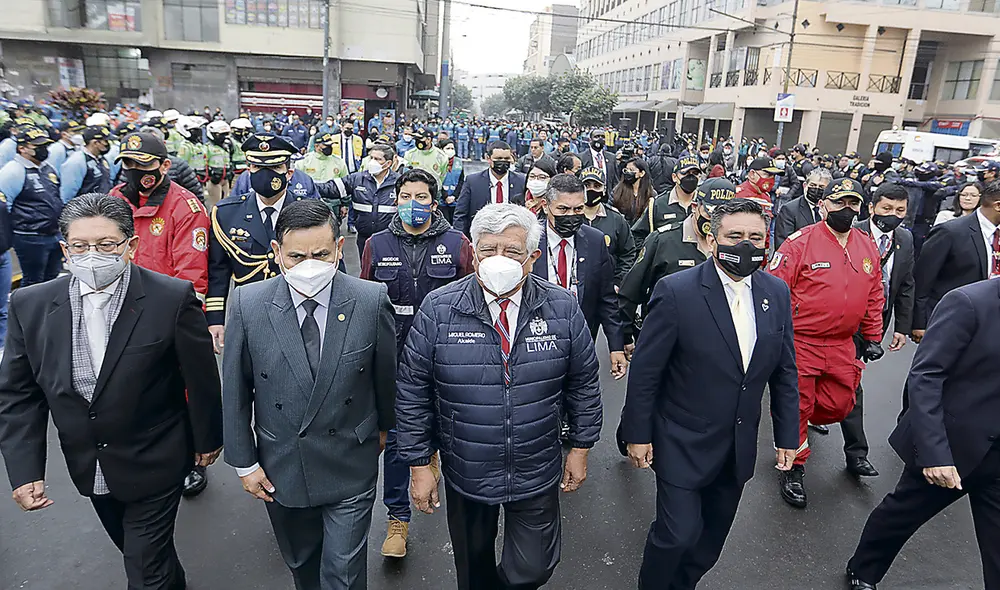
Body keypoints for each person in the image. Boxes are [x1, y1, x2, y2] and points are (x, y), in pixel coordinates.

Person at [0, 193, 222, 590]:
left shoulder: (170, 298)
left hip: (157, 457)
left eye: (105, 246)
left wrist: (207, 440)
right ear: (65, 249)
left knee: (143, 569)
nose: (92, 256)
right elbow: (20, 394)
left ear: (130, 246)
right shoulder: (29, 305)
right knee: (138, 550)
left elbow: (200, 377)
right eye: (81, 246)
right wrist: (25, 470)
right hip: (91, 466)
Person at [395, 202, 602, 590]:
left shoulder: (562, 307)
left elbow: (584, 382)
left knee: (534, 566)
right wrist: (419, 464)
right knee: (473, 570)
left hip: (536, 465)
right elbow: (412, 390)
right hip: (467, 467)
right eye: (489, 250)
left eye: (512, 251)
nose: (498, 259)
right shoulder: (439, 309)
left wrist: (580, 446)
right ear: (473, 252)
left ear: (532, 257)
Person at [620, 197, 799, 589]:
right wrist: (637, 433)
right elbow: (647, 372)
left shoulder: (776, 293)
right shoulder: (677, 291)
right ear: (712, 238)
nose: (746, 245)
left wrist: (789, 437)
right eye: (735, 235)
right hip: (681, 439)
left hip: (736, 447)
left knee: (709, 545)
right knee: (676, 534)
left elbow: (785, 372)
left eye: (756, 237)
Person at [223, 199, 396, 590]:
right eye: (296, 256)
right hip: (282, 462)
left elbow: (385, 376)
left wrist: (385, 428)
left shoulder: (370, 299)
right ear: (277, 253)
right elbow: (235, 389)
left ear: (339, 248)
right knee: (302, 564)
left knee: (344, 573)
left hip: (351, 459)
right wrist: (244, 464)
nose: (309, 265)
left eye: (320, 253)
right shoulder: (249, 304)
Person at [846, 277, 1000, 590]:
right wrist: (934, 454)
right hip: (952, 450)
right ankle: (862, 570)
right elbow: (926, 376)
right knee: (900, 515)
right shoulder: (969, 303)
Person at [360, 167, 474, 559]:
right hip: (393, 358)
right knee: (398, 437)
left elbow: (472, 299)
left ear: (435, 201)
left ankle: (438, 464)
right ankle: (397, 519)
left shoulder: (458, 243)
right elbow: (363, 304)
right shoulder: (376, 244)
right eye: (405, 196)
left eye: (421, 197)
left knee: (454, 430)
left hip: (446, 355)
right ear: (396, 199)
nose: (413, 205)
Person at [769, 177, 885, 508]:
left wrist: (873, 333)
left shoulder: (865, 244)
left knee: (840, 403)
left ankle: (796, 433)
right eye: (839, 203)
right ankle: (793, 466)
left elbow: (875, 292)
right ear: (824, 205)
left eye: (853, 204)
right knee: (798, 406)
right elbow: (775, 292)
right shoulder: (799, 243)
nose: (846, 210)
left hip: (842, 344)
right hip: (801, 342)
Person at [828, 182, 915, 479]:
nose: (893, 215)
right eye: (887, 208)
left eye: (900, 210)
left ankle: (853, 451)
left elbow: (905, 285)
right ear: (873, 207)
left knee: (849, 384)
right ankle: (852, 452)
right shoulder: (851, 232)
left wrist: (901, 327)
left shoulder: (904, 239)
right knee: (849, 385)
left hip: (874, 324)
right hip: (840, 323)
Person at [206, 134, 319, 350]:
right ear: (249, 170)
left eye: (275, 167)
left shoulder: (311, 214)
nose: (264, 174)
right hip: (248, 315)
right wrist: (215, 319)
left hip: (300, 314)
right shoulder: (226, 214)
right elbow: (217, 271)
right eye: (257, 167)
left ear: (289, 173)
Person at [532, 173, 627, 377]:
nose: (571, 216)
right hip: (536, 345)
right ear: (545, 205)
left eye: (578, 209)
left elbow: (607, 299)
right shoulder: (528, 240)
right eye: (563, 209)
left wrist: (616, 346)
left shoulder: (595, 241)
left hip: (581, 344)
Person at [911, 179, 1000, 349]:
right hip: (950, 322)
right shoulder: (950, 231)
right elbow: (923, 279)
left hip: (989, 325)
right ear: (998, 206)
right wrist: (919, 322)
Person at [0, 126, 65, 287]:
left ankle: (47, 312)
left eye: (45, 145)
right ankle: (28, 313)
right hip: (30, 236)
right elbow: (3, 207)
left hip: (54, 233)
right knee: (33, 283)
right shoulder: (13, 171)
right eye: (38, 146)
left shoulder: (47, 168)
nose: (44, 149)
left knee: (51, 280)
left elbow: (56, 197)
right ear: (22, 148)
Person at [328, 142, 401, 259]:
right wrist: (308, 184)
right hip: (364, 238)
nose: (372, 162)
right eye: (371, 158)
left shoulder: (399, 182)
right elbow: (331, 188)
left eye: (377, 159)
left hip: (390, 239)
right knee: (366, 270)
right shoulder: (358, 179)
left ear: (388, 164)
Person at [453, 141, 525, 236]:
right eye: (499, 158)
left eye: (507, 158)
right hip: (482, 237)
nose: (503, 162)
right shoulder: (473, 182)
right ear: (488, 159)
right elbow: (461, 215)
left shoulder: (522, 181)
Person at [580, 167, 635, 289]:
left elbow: (628, 253)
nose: (591, 189)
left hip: (607, 288)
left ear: (604, 190)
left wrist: (618, 281)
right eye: (586, 185)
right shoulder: (571, 217)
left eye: (596, 186)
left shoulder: (616, 219)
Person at [632, 156, 702, 246]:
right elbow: (637, 235)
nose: (691, 177)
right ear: (674, 177)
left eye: (695, 173)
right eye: (686, 173)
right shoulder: (658, 204)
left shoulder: (703, 204)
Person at [774, 167, 833, 250]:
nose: (816, 189)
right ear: (805, 185)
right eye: (813, 185)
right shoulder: (789, 210)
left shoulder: (832, 209)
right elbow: (783, 244)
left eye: (821, 187)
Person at [60, 125, 114, 204]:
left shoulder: (100, 158)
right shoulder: (77, 161)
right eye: (105, 141)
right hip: (85, 212)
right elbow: (68, 194)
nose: (107, 144)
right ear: (95, 143)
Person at [611, 157, 656, 225]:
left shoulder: (651, 194)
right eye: (626, 170)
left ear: (642, 173)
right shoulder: (617, 191)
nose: (628, 172)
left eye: (631, 170)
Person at [204, 120, 232, 210]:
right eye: (219, 134)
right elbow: (204, 163)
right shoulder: (207, 147)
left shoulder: (226, 147)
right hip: (214, 180)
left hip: (225, 178)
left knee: (226, 204)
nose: (222, 137)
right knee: (215, 206)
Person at [438, 138, 464, 224]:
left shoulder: (459, 162)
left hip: (455, 201)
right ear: (442, 149)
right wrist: (445, 196)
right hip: (441, 201)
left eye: (452, 148)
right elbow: (436, 180)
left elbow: (461, 181)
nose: (450, 151)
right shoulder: (437, 162)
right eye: (447, 148)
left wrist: (454, 196)